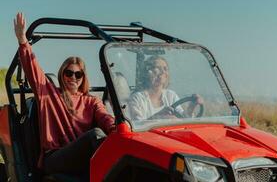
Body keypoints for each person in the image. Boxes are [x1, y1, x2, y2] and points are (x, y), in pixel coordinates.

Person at [14, 13, 115, 179]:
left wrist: (116, 129)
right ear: (62, 74)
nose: (73, 78)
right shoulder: (50, 95)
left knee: (107, 133)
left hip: (82, 157)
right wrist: (23, 41)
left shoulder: (91, 101)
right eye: (69, 73)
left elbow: (105, 118)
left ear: (83, 77)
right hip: (55, 157)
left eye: (78, 74)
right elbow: (34, 72)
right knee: (95, 134)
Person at [129, 55, 203, 120]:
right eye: (157, 68)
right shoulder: (137, 98)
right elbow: (136, 127)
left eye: (165, 69)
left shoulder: (171, 95)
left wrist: (191, 108)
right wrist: (158, 116)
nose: (162, 72)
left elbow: (183, 119)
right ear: (147, 73)